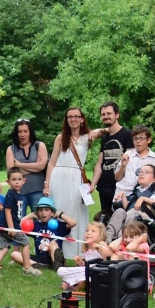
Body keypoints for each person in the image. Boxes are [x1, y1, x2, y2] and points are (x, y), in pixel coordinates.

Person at [44, 107, 102, 258]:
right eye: (70, 117)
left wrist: (97, 130)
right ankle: (56, 249)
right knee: (58, 211)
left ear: (82, 119)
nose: (73, 119)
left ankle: (76, 251)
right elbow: (51, 162)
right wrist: (47, 183)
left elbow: (108, 130)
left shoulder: (86, 137)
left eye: (76, 116)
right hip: (59, 177)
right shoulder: (60, 137)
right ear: (66, 119)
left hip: (76, 178)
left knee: (76, 212)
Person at [0, 168, 39, 276]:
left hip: (3, 227)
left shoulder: (17, 195)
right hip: (10, 227)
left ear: (24, 181)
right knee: (26, 243)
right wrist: (11, 227)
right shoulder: (11, 194)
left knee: (4, 248)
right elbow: (7, 211)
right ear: (8, 181)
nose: (17, 182)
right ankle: (27, 268)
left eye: (19, 179)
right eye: (13, 179)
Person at [90, 102, 133, 218]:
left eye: (109, 113)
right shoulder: (105, 138)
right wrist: (93, 184)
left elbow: (132, 162)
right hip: (104, 187)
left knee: (120, 219)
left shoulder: (127, 134)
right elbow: (100, 163)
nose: (106, 116)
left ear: (117, 115)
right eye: (103, 114)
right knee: (105, 219)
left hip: (119, 187)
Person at [106, 164, 155, 242]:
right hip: (132, 215)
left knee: (134, 212)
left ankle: (121, 239)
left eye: (147, 172)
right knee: (120, 211)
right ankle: (107, 239)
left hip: (147, 220)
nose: (141, 174)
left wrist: (143, 198)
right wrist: (123, 196)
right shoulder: (137, 190)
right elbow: (128, 209)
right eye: (140, 172)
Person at [13, 197, 75, 269]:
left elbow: (73, 223)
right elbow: (20, 226)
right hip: (40, 258)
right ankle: (38, 265)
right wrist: (32, 215)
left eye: (46, 210)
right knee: (15, 254)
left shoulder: (58, 225)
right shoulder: (35, 225)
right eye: (40, 210)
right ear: (37, 213)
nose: (43, 212)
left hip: (53, 257)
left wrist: (59, 214)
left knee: (53, 243)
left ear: (52, 213)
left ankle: (57, 263)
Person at [5, 119, 47, 212]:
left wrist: (19, 165)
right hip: (18, 192)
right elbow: (12, 172)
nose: (22, 134)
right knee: (18, 221)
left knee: (40, 220)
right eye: (19, 132)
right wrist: (35, 166)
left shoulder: (39, 145)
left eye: (25, 131)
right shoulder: (11, 149)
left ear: (30, 132)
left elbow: (42, 166)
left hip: (38, 190)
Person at [113, 125, 155, 197]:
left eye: (141, 138)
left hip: (143, 196)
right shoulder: (127, 155)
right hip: (122, 194)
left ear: (148, 140)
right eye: (135, 139)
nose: (138, 141)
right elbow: (117, 178)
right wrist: (123, 166)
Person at [57, 222, 113, 291]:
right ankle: (82, 284)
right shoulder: (87, 248)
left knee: (87, 273)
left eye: (93, 231)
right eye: (87, 231)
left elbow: (111, 258)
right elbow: (86, 267)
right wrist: (80, 263)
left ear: (101, 235)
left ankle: (76, 285)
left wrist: (100, 251)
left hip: (99, 273)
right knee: (60, 270)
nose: (88, 233)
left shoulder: (101, 244)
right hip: (87, 272)